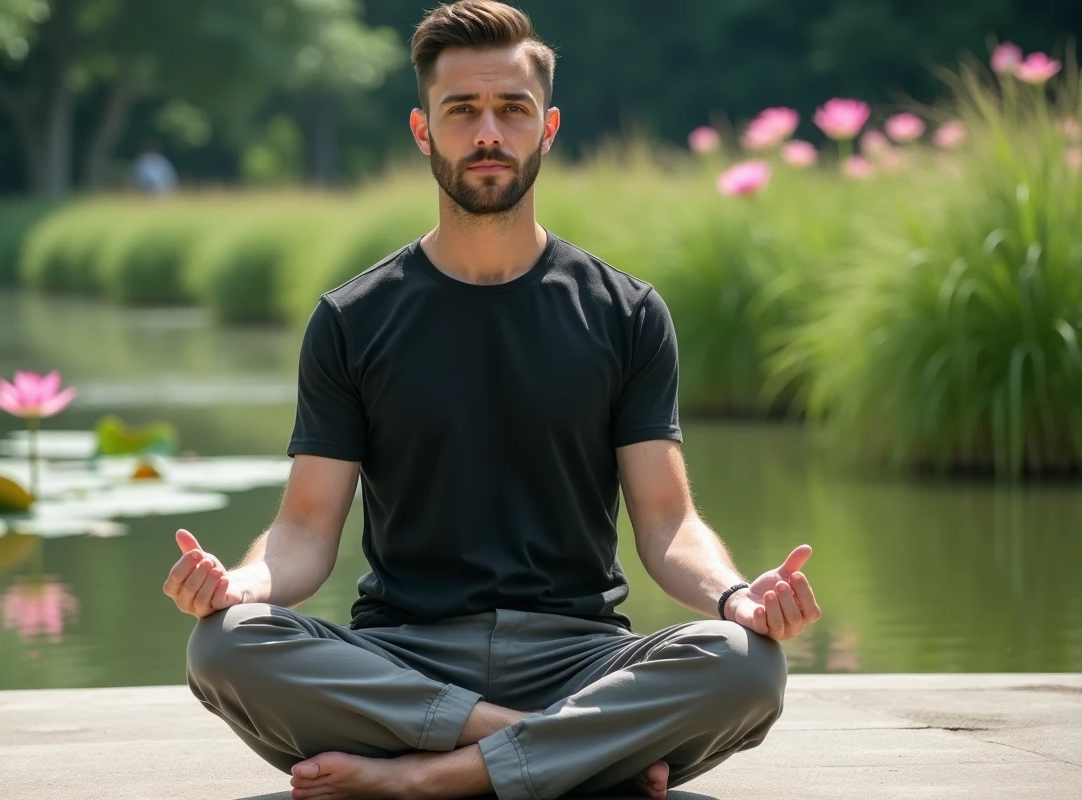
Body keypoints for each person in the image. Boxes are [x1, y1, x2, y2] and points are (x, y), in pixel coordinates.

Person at [165, 2, 822, 798]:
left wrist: (733, 594)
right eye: (462, 110)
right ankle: (543, 753)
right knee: (224, 646)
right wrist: (240, 585)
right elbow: (305, 528)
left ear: (546, 129)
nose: (487, 133)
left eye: (511, 110)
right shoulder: (351, 320)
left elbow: (666, 521)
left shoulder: (627, 313)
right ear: (422, 129)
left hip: (578, 656)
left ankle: (426, 781)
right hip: (405, 659)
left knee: (745, 666)